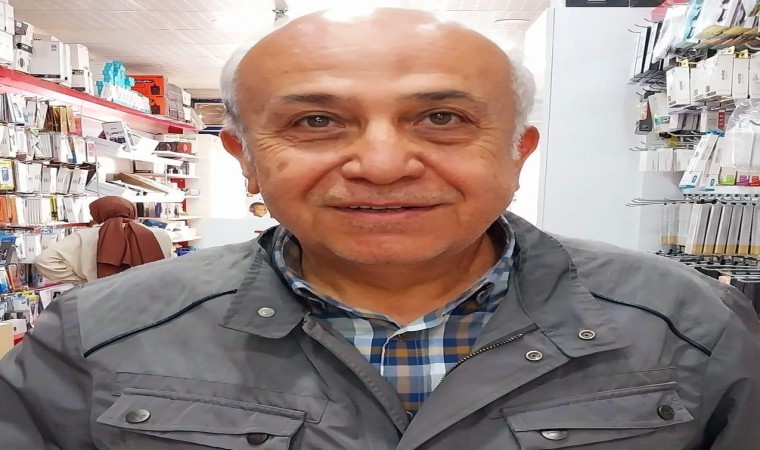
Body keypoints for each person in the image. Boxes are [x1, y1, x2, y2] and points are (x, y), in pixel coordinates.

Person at [0, 8, 759, 449]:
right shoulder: (100, 336)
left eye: (442, 118)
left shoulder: (687, 324)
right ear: (246, 159)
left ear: (517, 151)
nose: (384, 164)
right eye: (317, 121)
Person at [32, 196, 174, 285]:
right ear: (132, 211)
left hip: (103, 298)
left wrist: (82, 281)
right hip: (153, 298)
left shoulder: (84, 236)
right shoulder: (160, 234)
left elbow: (43, 260)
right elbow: (170, 267)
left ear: (97, 214)